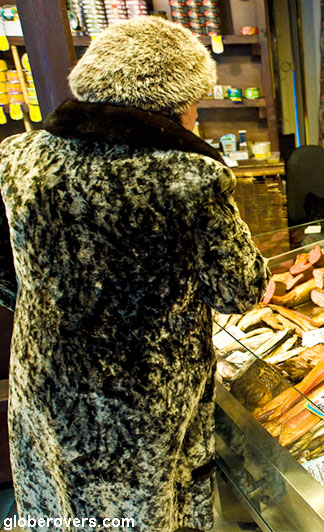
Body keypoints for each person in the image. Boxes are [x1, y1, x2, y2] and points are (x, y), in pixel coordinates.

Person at [0, 17, 267, 531]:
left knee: (59, 502)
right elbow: (240, 289)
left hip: (43, 380)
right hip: (138, 405)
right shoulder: (188, 176)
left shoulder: (19, 157)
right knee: (139, 513)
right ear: (178, 102)